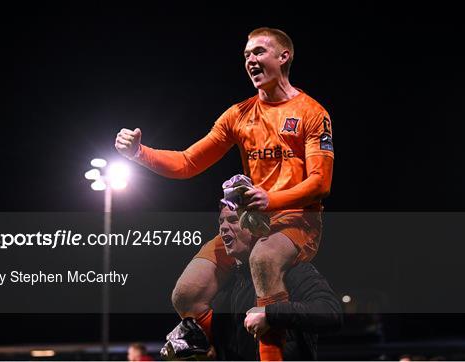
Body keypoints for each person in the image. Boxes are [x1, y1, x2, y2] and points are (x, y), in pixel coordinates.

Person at [115, 27, 334, 361]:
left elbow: (321, 182)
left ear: (284, 56)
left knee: (263, 259)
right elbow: (188, 162)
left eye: (259, 52)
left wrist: (270, 199)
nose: (251, 60)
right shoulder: (238, 115)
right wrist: (139, 153)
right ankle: (214, 351)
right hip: (253, 219)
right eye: (246, 55)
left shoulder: (312, 113)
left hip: (296, 219)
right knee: (185, 294)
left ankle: (271, 349)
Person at [211, 205, 343, 360]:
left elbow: (330, 312)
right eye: (221, 222)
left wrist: (270, 314)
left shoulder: (291, 270)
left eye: (233, 220)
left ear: (256, 225)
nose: (223, 228)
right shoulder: (228, 285)